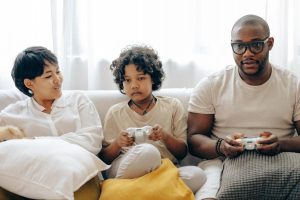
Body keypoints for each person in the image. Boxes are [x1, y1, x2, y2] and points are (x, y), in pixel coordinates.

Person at [188, 14, 300, 199]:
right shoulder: (211, 84)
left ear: (270, 44)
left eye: (256, 45)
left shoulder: (293, 85)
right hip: (227, 161)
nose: (247, 53)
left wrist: (281, 144)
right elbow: (194, 139)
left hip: (282, 159)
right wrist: (221, 146)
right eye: (239, 46)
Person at [98, 45, 207, 193]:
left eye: (141, 78)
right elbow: (104, 159)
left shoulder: (172, 106)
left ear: (153, 79)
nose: (134, 85)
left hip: (163, 170)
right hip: (126, 168)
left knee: (197, 175)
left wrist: (165, 136)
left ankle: (129, 192)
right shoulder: (115, 112)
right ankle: (153, 191)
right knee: (148, 152)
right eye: (127, 80)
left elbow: (182, 153)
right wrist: (118, 143)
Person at [0, 46, 104, 199]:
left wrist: (35, 141)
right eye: (48, 76)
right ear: (29, 84)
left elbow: (93, 141)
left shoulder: (78, 100)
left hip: (81, 179)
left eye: (58, 71)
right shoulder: (10, 116)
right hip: (32, 185)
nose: (58, 79)